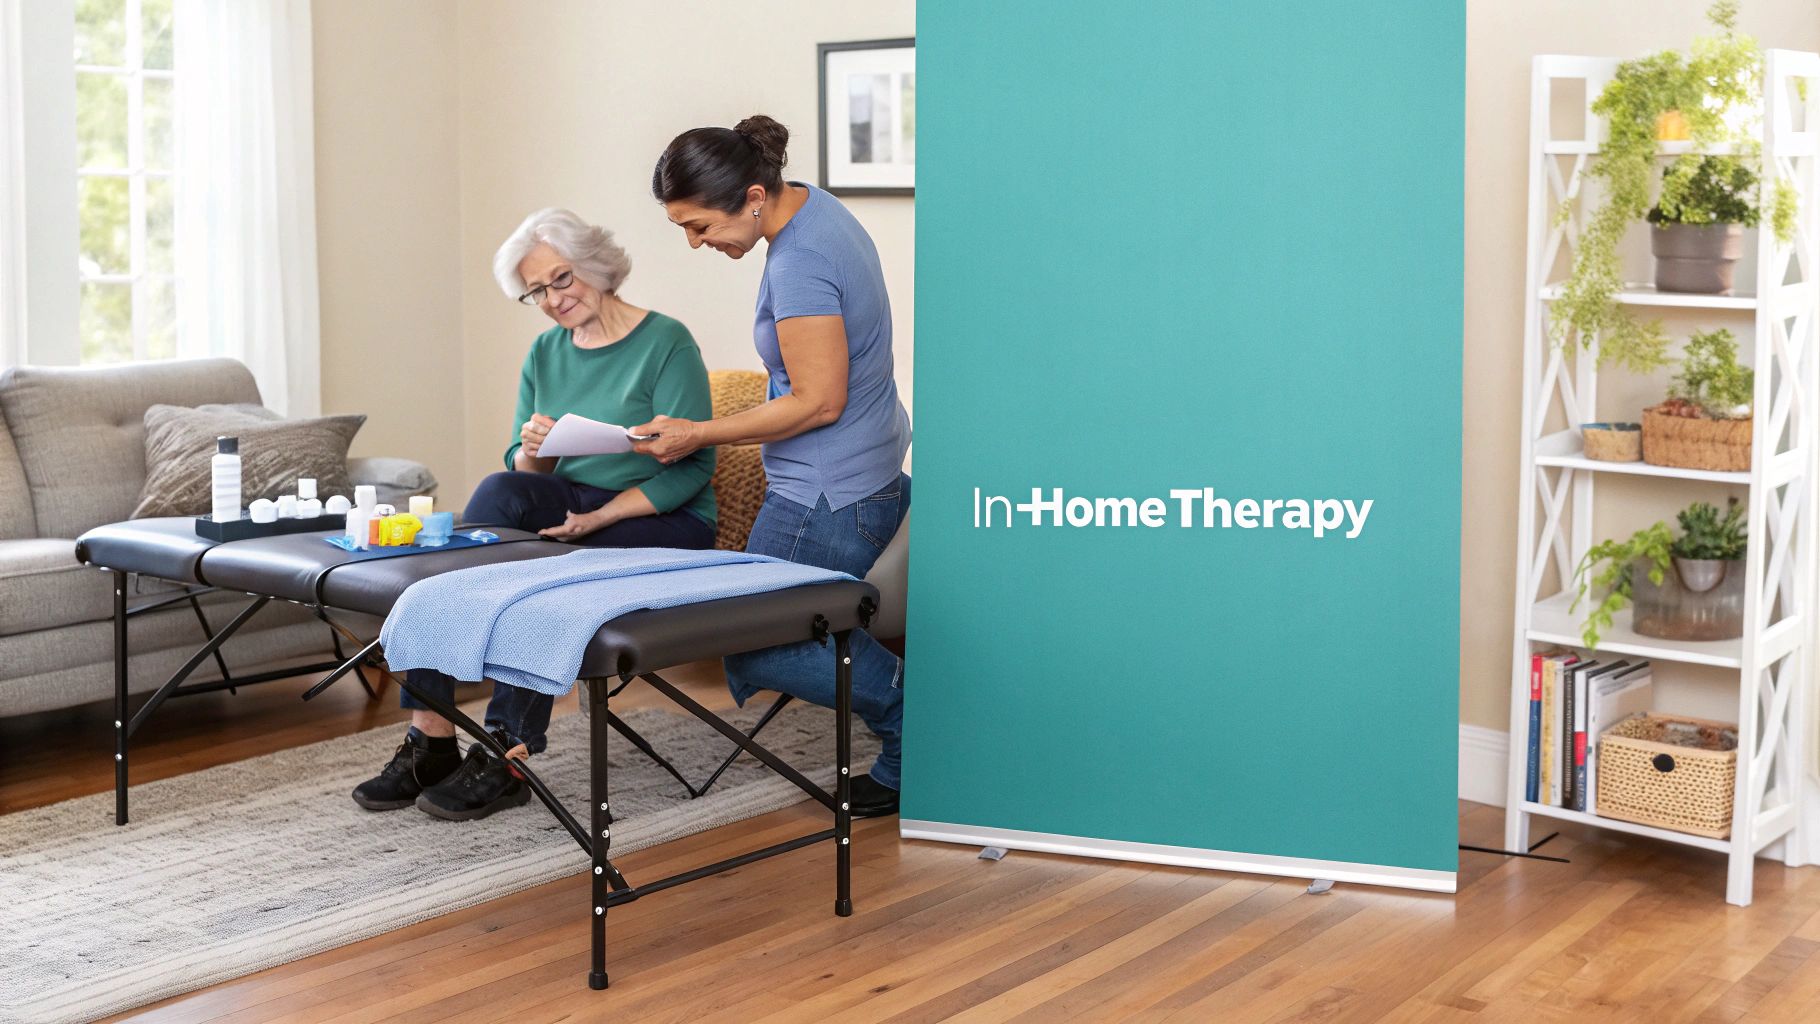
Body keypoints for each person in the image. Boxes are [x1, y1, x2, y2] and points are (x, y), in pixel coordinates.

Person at [352, 207, 718, 820]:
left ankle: (506, 753)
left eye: (561, 280)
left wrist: (595, 525)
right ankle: (430, 738)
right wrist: (531, 448)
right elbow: (528, 481)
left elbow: (692, 469)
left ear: (596, 268)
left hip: (663, 517)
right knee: (496, 496)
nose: (551, 300)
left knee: (542, 582)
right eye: (536, 291)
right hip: (573, 503)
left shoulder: (666, 341)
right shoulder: (546, 352)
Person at [639, 115, 910, 817]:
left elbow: (819, 402)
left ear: (753, 195)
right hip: (856, 472)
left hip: (827, 489)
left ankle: (921, 726)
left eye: (699, 227)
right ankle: (922, 737)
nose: (698, 244)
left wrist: (699, 432)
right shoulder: (814, 210)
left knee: (759, 644)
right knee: (785, 626)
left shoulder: (801, 261)